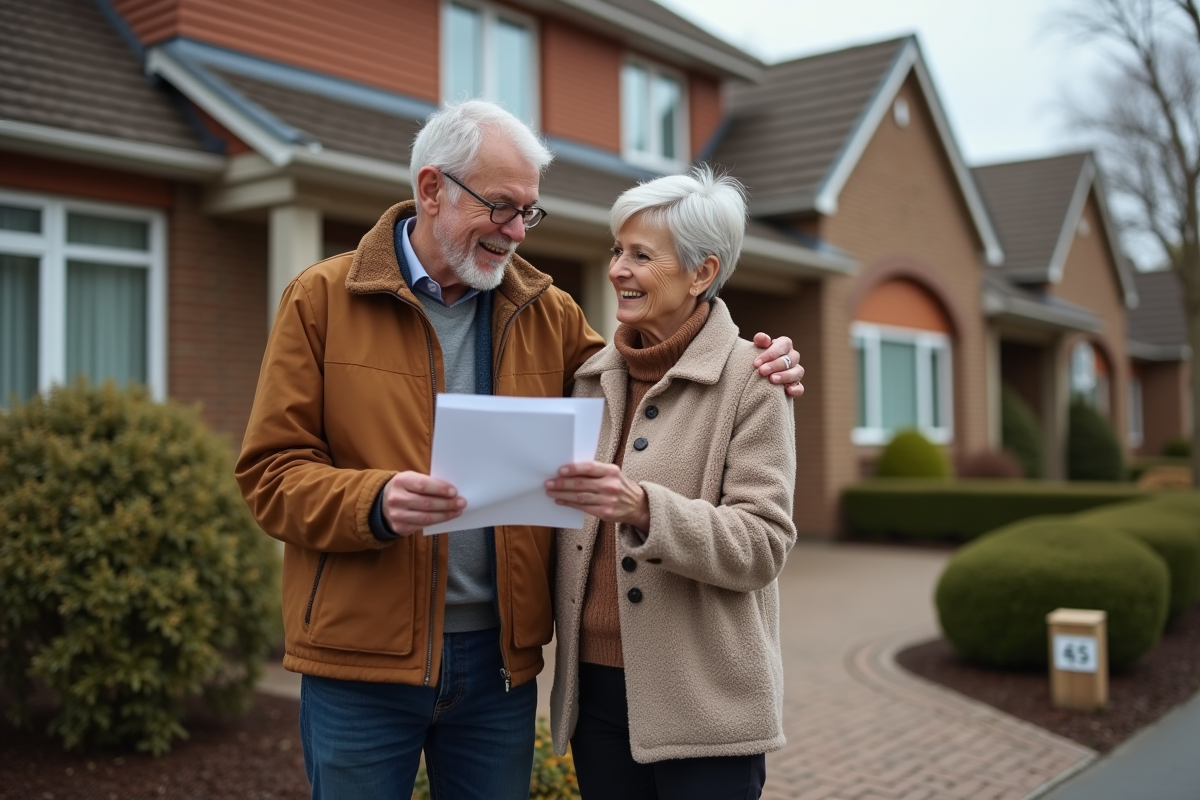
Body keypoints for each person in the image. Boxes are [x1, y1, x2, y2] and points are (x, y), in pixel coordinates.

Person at [235, 100, 803, 800]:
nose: (514, 233)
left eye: (527, 212)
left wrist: (762, 359)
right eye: (501, 206)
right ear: (432, 188)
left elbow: (654, 369)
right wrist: (373, 501)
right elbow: (269, 474)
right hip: (360, 663)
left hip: (499, 666)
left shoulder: (550, 312)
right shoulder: (320, 300)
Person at [545, 166, 796, 800]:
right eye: (616, 250)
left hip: (706, 704)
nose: (616, 270)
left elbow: (763, 544)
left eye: (640, 256)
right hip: (595, 696)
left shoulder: (755, 379)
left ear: (702, 273)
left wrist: (644, 508)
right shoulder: (586, 378)